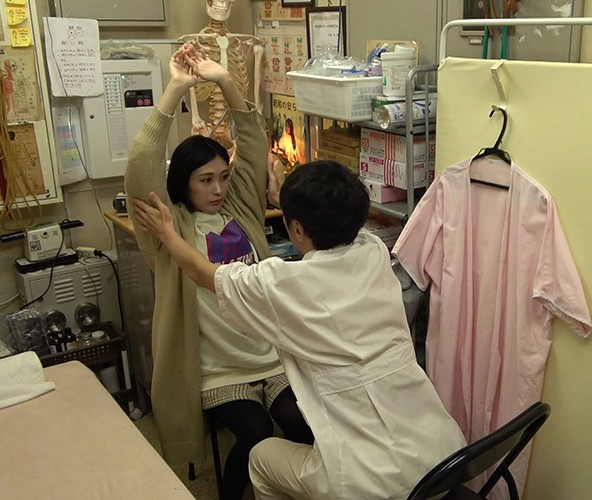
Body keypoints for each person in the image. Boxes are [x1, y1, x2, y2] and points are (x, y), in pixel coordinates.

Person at [133, 160, 467, 500]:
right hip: (442, 460)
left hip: (366, 483)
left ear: (296, 229)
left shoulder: (281, 284)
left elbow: (200, 271)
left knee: (260, 457)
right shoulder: (374, 251)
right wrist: (287, 200)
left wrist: (167, 233)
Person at [124, 44, 312, 500]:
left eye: (222, 177)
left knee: (301, 425)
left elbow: (252, 141)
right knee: (254, 433)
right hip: (217, 369)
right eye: (205, 180)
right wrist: (176, 88)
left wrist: (225, 80)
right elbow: (141, 166)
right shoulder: (168, 225)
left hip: (269, 355)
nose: (217, 188)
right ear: (183, 184)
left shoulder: (240, 207)